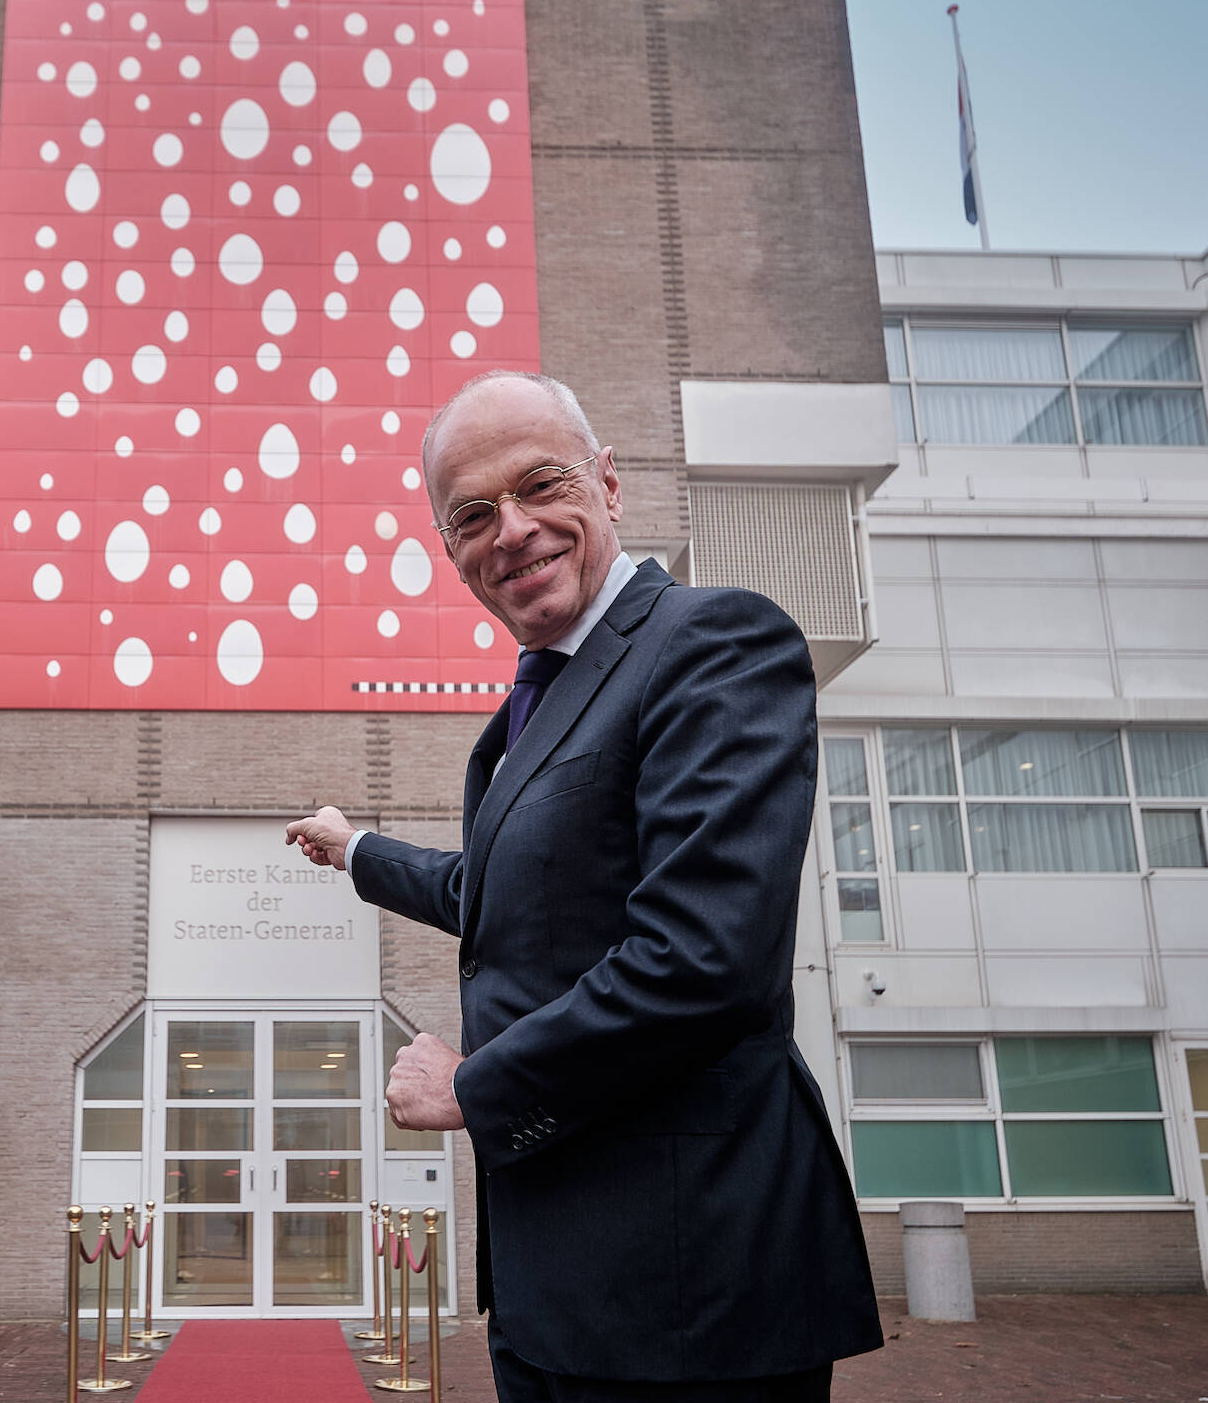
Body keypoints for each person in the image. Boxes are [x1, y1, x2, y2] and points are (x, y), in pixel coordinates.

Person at [286, 372, 881, 1401]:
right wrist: (358, 850)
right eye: (472, 515)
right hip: (551, 1288)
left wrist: (474, 1088)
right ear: (452, 551)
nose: (509, 530)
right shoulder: (522, 719)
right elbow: (499, 896)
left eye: (539, 486)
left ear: (608, 485)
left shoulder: (711, 642)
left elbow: (703, 959)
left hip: (687, 1290)